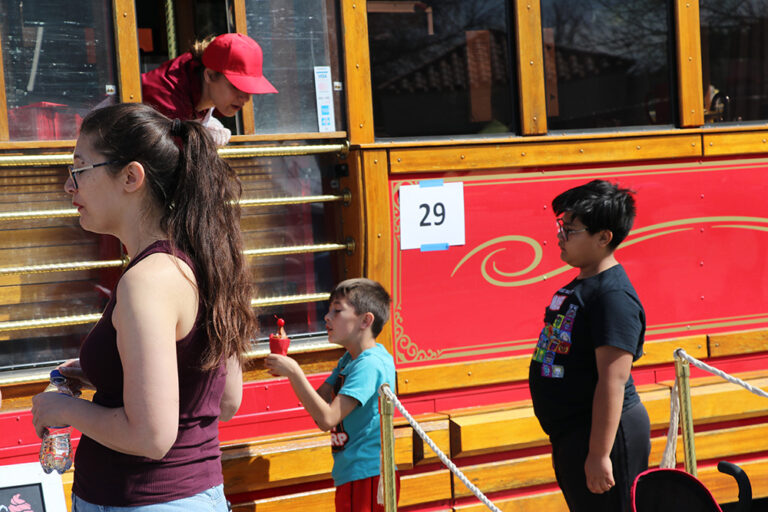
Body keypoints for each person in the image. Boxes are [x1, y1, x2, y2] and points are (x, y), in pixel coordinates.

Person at [30, 102, 256, 510]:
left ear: (131, 176)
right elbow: (225, 400)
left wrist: (62, 407)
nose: (69, 186)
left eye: (79, 169)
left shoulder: (147, 281)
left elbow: (151, 436)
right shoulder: (206, 261)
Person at [528, 179, 650, 512]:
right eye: (561, 227)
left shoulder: (612, 297)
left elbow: (613, 380)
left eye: (571, 229)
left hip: (603, 437)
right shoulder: (580, 286)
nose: (560, 236)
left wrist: (598, 455)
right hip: (574, 435)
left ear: (603, 237)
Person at [265, 278, 399, 512]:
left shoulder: (370, 365)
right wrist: (286, 363)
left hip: (367, 475)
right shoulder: (349, 359)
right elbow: (320, 406)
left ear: (366, 320)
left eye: (337, 311)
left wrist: (294, 372)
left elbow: (327, 419)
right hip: (352, 474)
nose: (327, 317)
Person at [141, 32, 277, 145]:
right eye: (236, 86)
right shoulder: (168, 100)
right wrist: (200, 138)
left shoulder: (199, 80)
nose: (246, 98)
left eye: (249, 88)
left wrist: (206, 124)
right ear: (210, 76)